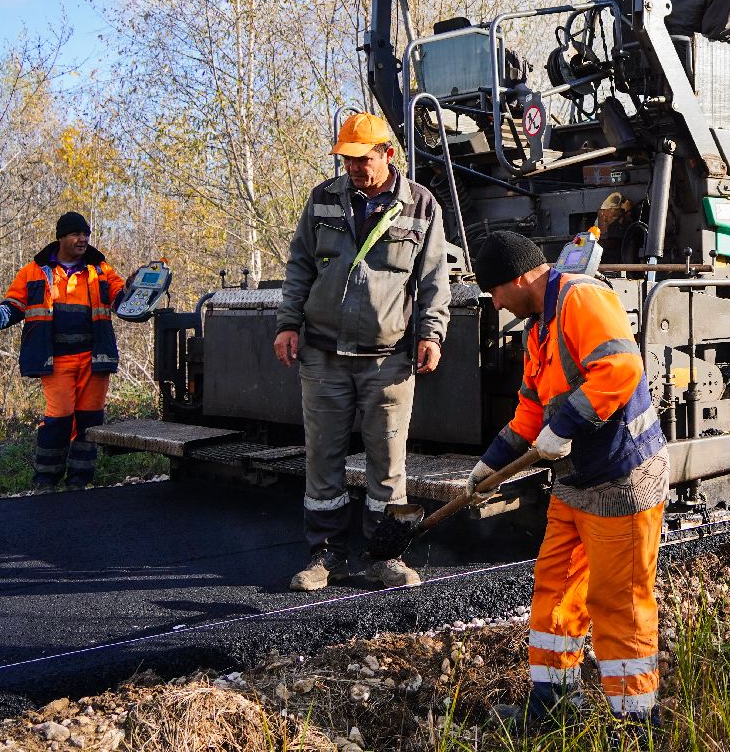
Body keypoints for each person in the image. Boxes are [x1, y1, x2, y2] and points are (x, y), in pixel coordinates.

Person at [468, 231, 668, 735]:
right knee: (555, 587)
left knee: (617, 603)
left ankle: (636, 727)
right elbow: (531, 411)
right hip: (576, 482)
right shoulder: (538, 329)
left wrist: (567, 426)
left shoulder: (582, 298)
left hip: (623, 478)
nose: (496, 303)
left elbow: (620, 367)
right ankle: (553, 705)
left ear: (519, 278)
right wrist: (490, 465)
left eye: (495, 291)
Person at [275, 112, 450, 591]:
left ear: (387, 154)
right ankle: (324, 557)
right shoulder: (323, 199)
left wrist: (431, 334)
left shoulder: (421, 205)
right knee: (322, 460)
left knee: (388, 466)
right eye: (346, 159)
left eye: (362, 158)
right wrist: (287, 324)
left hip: (388, 361)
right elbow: (299, 266)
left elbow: (434, 281)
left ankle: (385, 558)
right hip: (323, 356)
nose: (353, 167)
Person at [0, 212, 127, 490]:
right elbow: (13, 307)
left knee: (90, 421)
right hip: (56, 361)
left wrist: (137, 289)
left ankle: (79, 481)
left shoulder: (101, 269)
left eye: (86, 234)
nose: (82, 239)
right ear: (61, 237)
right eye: (76, 234)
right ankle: (46, 481)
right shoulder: (34, 271)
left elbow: (122, 300)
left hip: (95, 359)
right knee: (59, 418)